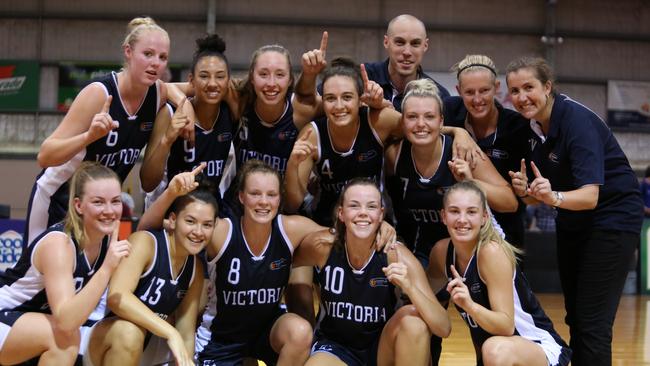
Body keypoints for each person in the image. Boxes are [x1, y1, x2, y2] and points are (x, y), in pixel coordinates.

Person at [506, 56, 643, 366]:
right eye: (514, 90)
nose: (521, 97)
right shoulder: (530, 129)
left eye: (529, 87)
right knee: (577, 317)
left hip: (612, 220)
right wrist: (527, 192)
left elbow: (590, 196)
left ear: (548, 86)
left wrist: (551, 196)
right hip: (573, 221)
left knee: (592, 322)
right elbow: (539, 199)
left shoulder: (576, 121)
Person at [138, 159, 325, 366]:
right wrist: (171, 193)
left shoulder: (291, 229)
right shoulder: (221, 232)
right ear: (241, 197)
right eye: (255, 194)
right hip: (221, 340)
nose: (263, 201)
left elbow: (341, 240)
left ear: (280, 199)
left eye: (271, 195)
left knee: (299, 332)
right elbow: (148, 230)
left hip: (266, 333)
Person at [25, 17, 171, 246]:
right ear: (128, 52)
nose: (156, 63)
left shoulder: (158, 93)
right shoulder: (99, 93)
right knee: (39, 278)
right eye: (148, 54)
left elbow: (198, 88)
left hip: (99, 208)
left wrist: (184, 103)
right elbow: (45, 156)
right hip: (59, 199)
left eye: (163, 58)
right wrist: (89, 136)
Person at [293, 178, 450, 366]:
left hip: (381, 349)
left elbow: (444, 327)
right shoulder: (323, 246)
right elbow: (281, 259)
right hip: (336, 347)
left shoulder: (396, 255)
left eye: (371, 207)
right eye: (354, 205)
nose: (363, 213)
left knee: (413, 320)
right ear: (341, 213)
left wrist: (410, 288)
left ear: (381, 214)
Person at [84, 167, 216, 366]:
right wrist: (170, 332)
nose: (198, 231)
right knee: (130, 332)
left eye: (207, 225)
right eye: (190, 221)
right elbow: (117, 298)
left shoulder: (195, 268)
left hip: (141, 350)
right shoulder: (145, 243)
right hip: (99, 339)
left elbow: (185, 333)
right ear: (172, 220)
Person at [0, 162, 130, 365]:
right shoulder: (59, 244)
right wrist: (107, 267)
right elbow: (66, 321)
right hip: (7, 313)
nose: (109, 210)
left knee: (120, 332)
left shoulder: (108, 241)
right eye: (98, 202)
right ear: (78, 206)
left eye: (115, 201)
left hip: (35, 322)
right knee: (65, 338)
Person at [429, 180, 571, 366]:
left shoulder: (491, 252)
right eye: (454, 211)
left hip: (538, 348)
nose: (462, 219)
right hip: (499, 353)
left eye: (471, 212)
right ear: (443, 216)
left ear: (484, 217)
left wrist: (469, 305)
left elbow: (505, 326)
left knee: (494, 350)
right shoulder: (441, 252)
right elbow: (427, 298)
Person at [386, 78, 517, 266]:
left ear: (441, 121)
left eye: (429, 117)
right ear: (403, 121)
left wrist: (472, 183)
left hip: (463, 252)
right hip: (415, 252)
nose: (421, 124)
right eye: (412, 117)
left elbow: (510, 202)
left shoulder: (462, 151)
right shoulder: (394, 156)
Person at [285, 57, 397, 226]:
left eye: (347, 97)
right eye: (330, 98)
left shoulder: (378, 120)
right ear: (323, 102)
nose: (339, 106)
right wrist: (293, 164)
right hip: (326, 225)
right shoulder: (311, 134)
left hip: (375, 224)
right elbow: (291, 205)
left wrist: (453, 131)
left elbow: (422, 129)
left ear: (361, 100)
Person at [141, 33, 236, 215]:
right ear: (191, 80)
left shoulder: (231, 109)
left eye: (220, 76)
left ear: (228, 81)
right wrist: (167, 140)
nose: (212, 83)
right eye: (204, 76)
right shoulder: (169, 114)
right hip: (169, 210)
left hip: (209, 210)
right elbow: (147, 183)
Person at [444, 55, 530, 249]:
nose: (477, 99)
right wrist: (457, 131)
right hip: (459, 231)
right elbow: (420, 127)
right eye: (469, 92)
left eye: (484, 91)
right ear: (458, 91)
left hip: (505, 234)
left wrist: (471, 182)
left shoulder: (518, 128)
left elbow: (514, 202)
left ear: (497, 88)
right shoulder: (450, 111)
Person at [364, 14, 451, 111]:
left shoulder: (439, 96)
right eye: (400, 42)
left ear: (425, 46)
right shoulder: (363, 79)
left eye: (415, 44)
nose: (407, 52)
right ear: (386, 42)